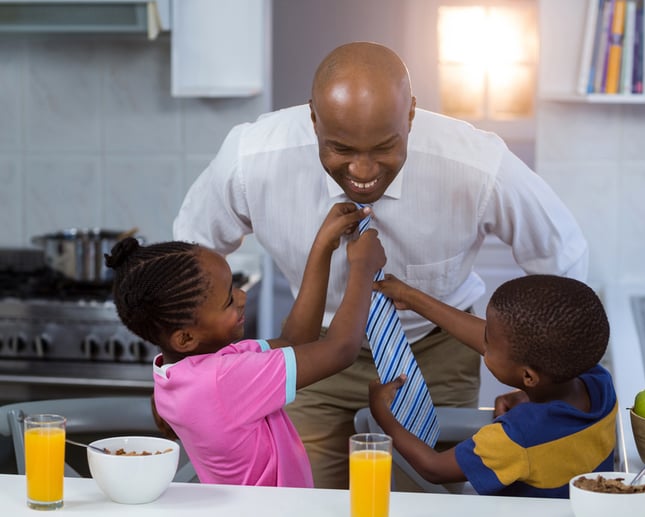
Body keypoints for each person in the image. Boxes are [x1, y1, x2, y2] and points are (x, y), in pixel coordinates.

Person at [172, 41, 589, 489]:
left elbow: (562, 261)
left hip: (436, 359)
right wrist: (191, 375)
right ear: (313, 118)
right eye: (341, 149)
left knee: (427, 505)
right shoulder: (251, 159)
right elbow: (186, 260)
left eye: (384, 148)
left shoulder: (476, 164)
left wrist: (541, 386)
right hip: (313, 356)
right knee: (299, 501)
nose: (363, 169)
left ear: (410, 114)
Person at [106, 202, 385, 487]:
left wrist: (324, 245)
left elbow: (295, 340)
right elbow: (340, 350)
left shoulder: (182, 371)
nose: (241, 297)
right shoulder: (222, 380)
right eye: (228, 300)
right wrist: (362, 269)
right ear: (186, 338)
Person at [368, 273, 617, 498]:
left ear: (529, 377)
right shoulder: (600, 384)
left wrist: (384, 415)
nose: (483, 343)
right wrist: (409, 297)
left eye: (488, 342)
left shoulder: (517, 437)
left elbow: (433, 468)